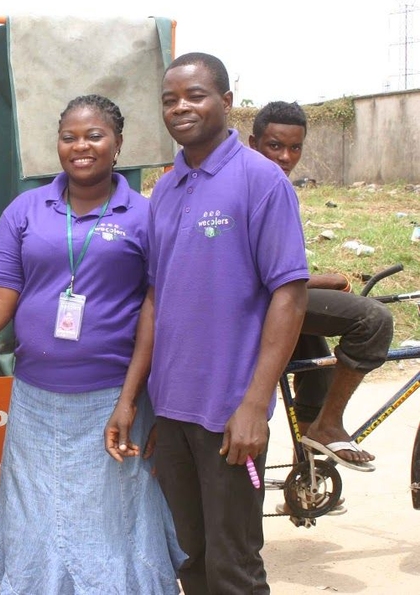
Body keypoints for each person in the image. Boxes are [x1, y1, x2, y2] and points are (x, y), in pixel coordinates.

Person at [0, 95, 184, 594]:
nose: (81, 146)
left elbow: (156, 310)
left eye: (95, 135)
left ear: (119, 145)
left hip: (112, 401)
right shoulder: (27, 209)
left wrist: (132, 399)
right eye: (69, 136)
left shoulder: (143, 215)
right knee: (39, 524)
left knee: (111, 529)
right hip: (37, 402)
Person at [104, 53, 309, 594]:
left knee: (233, 566)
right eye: (170, 99)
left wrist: (252, 406)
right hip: (171, 411)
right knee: (190, 560)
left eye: (194, 95)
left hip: (228, 417)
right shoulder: (167, 189)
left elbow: (289, 296)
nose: (180, 108)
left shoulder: (261, 181)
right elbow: (155, 298)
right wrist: (132, 398)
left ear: (226, 102)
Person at [250, 101, 392, 477]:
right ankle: (328, 424)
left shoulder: (273, 184)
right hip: (261, 301)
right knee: (374, 320)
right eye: (274, 146)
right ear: (253, 143)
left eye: (294, 148)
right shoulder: (256, 185)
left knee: (315, 350)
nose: (285, 157)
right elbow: (254, 273)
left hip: (277, 296)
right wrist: (327, 280)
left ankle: (308, 472)